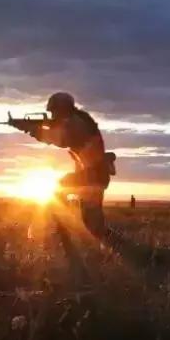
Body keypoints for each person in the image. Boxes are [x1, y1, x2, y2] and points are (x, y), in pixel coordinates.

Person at [25, 92, 115, 238]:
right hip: (95, 175)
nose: (53, 115)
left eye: (54, 111)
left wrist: (35, 131)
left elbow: (61, 139)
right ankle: (70, 233)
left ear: (63, 109)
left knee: (59, 189)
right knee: (93, 225)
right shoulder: (79, 120)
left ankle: (62, 231)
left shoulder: (76, 123)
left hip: (93, 176)